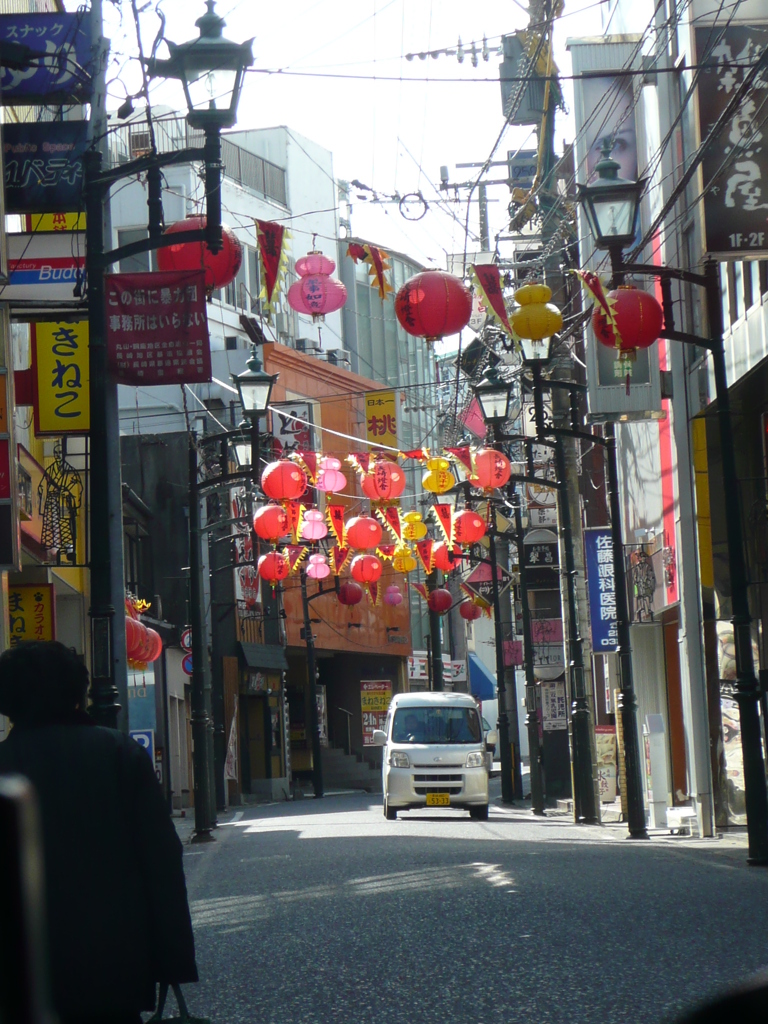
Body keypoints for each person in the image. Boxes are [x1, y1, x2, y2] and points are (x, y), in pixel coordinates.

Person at [0, 641, 198, 1024]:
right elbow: (161, 862)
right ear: (79, 692)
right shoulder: (119, 755)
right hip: (113, 961)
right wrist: (171, 960)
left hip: (19, 968)